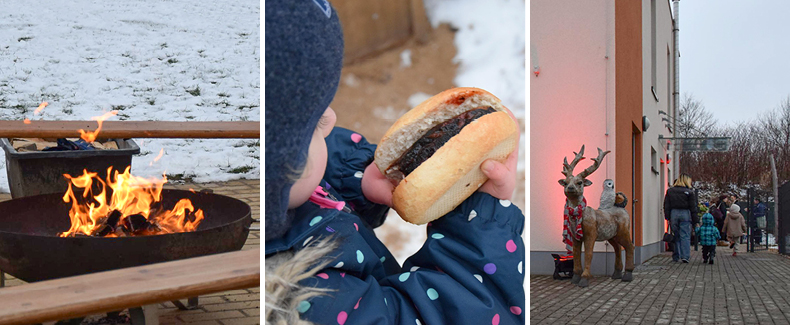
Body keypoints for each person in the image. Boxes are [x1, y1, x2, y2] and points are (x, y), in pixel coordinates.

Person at [264, 2, 524, 324]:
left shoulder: (283, 195)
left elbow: (300, 178)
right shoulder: (305, 301)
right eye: (314, 122)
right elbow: (430, 317)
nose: (331, 120)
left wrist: (353, 176)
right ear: (279, 172)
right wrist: (478, 226)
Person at [663, 174, 699, 263]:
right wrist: (696, 221)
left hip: (674, 213)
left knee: (676, 235)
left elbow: (666, 205)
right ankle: (685, 256)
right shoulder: (689, 192)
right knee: (685, 236)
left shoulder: (670, 191)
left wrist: (667, 217)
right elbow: (693, 207)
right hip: (685, 213)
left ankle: (676, 256)